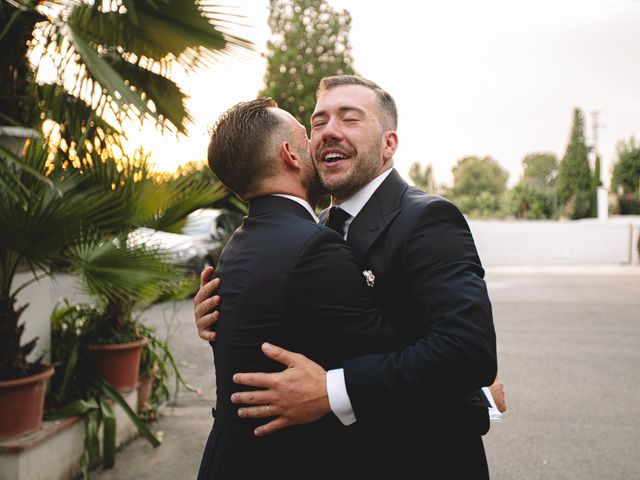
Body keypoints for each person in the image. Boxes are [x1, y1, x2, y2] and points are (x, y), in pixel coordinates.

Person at [195, 76, 501, 478]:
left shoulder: (428, 219)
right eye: (318, 123)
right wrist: (229, 311)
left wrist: (331, 391)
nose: (328, 132)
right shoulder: (311, 228)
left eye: (350, 119)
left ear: (389, 144)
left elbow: (467, 350)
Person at [196, 97, 397, 479]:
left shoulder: (236, 246)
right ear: (290, 154)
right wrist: (473, 388)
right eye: (307, 136)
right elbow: (388, 351)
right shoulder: (314, 246)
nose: (317, 144)